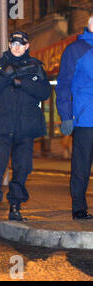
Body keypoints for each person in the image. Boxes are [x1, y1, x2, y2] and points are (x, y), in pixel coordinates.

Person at [0, 31, 51, 227]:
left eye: (20, 43)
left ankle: (15, 207)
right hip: (3, 127)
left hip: (25, 129)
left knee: (22, 169)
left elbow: (44, 92)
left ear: (27, 46)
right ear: (9, 45)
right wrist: (5, 76)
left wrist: (21, 82)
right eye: (13, 43)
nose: (16, 47)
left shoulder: (35, 66)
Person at [55, 15, 93, 220]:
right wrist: (66, 115)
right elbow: (63, 84)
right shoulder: (75, 50)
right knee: (81, 166)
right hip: (85, 119)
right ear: (90, 26)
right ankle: (79, 209)